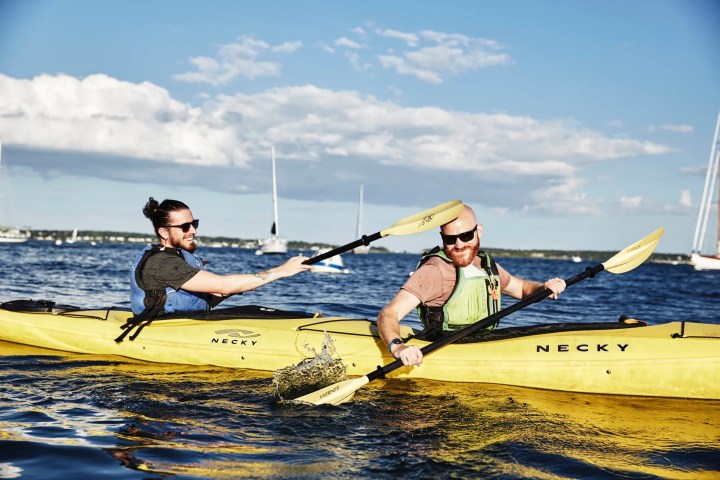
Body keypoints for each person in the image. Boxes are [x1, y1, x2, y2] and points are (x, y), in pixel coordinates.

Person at [377, 205, 566, 367]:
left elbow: (523, 288)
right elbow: (389, 313)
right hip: (444, 347)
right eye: (450, 239)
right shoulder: (435, 271)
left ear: (479, 231)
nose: (459, 245)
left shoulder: (487, 266)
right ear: (442, 238)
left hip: (484, 342)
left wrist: (544, 289)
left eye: (466, 236)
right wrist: (398, 347)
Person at [130, 197, 311, 319]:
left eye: (194, 224)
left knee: (255, 310)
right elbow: (223, 285)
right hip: (165, 326)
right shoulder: (161, 263)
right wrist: (281, 271)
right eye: (185, 226)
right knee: (251, 311)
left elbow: (212, 295)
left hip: (188, 321)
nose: (193, 230)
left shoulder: (179, 257)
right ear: (164, 232)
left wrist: (241, 286)